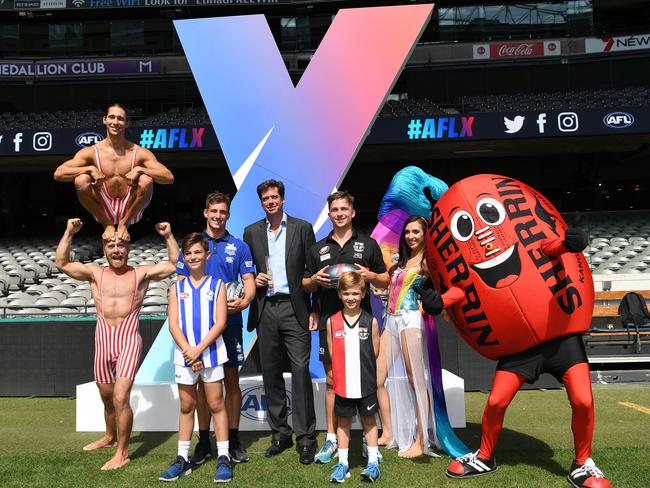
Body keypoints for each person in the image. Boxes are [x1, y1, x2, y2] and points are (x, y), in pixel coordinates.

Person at [54, 217, 178, 470]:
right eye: (111, 246)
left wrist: (168, 236)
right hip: (103, 338)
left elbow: (174, 263)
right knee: (107, 397)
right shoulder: (95, 274)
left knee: (121, 397)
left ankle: (122, 453)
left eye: (121, 246)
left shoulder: (140, 273)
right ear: (105, 250)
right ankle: (110, 437)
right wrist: (68, 231)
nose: (116, 250)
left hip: (128, 338)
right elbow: (62, 262)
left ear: (128, 249)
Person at [303, 191, 388, 464]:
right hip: (331, 324)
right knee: (331, 382)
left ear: (352, 212)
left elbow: (385, 279)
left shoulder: (368, 243)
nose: (339, 213)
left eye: (344, 209)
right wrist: (313, 281)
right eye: (334, 210)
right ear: (329, 215)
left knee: (367, 383)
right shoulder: (317, 248)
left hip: (362, 323)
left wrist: (372, 276)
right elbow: (304, 284)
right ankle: (330, 439)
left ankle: (368, 439)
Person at [176, 192, 255, 464]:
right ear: (205, 212)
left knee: (232, 383)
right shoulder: (193, 245)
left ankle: (232, 440)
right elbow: (179, 282)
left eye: (223, 211)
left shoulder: (239, 246)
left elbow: (249, 281)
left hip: (229, 324)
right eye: (213, 211)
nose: (218, 216)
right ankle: (203, 441)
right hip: (197, 330)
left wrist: (244, 301)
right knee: (201, 388)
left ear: (228, 214)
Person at [243, 179, 317, 464]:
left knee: (300, 370)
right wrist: (254, 279)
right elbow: (246, 271)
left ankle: (306, 438)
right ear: (261, 202)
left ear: (283, 199)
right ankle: (280, 434)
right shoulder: (251, 232)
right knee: (271, 374)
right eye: (266, 198)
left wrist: (315, 310)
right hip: (265, 308)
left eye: (275, 197)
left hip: (295, 308)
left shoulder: (302, 228)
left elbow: (313, 272)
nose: (270, 201)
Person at [159, 232, 232, 483]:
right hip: (185, 356)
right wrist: (189, 351)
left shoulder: (218, 285)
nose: (193, 257)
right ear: (184, 256)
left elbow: (220, 322)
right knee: (187, 406)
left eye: (198, 252)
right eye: (188, 253)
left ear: (207, 255)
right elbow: (174, 325)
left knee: (215, 404)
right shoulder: (176, 288)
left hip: (210, 354)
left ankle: (223, 457)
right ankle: (182, 459)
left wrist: (198, 349)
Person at [54, 103, 174, 242]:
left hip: (130, 206)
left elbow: (168, 177)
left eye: (120, 118)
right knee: (81, 179)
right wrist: (89, 169)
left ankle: (124, 224)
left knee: (146, 179)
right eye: (112, 117)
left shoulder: (139, 152)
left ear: (127, 123)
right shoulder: (92, 152)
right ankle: (108, 225)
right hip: (102, 207)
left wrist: (140, 169)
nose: (115, 122)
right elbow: (59, 174)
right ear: (104, 120)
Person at [383, 215, 438, 458]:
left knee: (415, 378)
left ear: (425, 234)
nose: (411, 236)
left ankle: (421, 440)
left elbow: (439, 290)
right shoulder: (402, 261)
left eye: (416, 231)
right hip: (390, 320)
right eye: (407, 232)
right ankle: (389, 433)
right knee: (377, 377)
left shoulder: (428, 262)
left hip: (410, 320)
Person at [327, 272, 381, 483]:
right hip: (343, 384)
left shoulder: (371, 321)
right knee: (343, 423)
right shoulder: (332, 322)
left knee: (369, 421)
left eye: (355, 294)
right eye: (346, 293)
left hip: (365, 383)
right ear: (339, 294)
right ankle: (343, 464)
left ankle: (373, 463)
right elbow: (333, 352)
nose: (351, 297)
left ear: (363, 294)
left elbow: (374, 352)